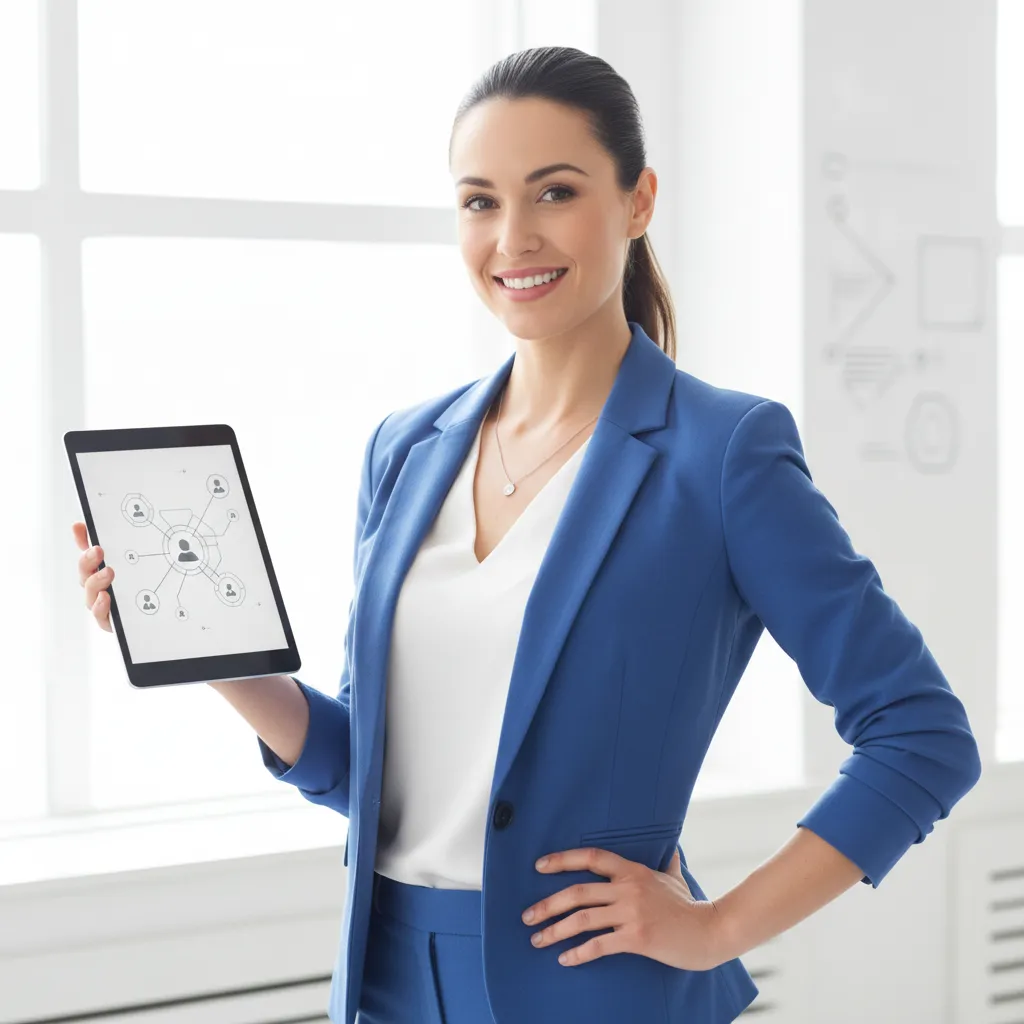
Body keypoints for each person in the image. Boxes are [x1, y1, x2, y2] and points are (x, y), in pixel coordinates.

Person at [75, 45, 982, 1024]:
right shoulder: (405, 449)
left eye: (553, 191)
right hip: (385, 978)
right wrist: (219, 660)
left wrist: (715, 927)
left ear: (637, 201)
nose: (512, 237)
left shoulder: (722, 452)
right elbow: (376, 773)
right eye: (478, 201)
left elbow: (921, 732)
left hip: (591, 988)